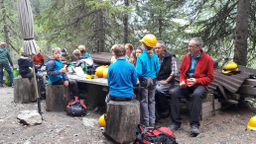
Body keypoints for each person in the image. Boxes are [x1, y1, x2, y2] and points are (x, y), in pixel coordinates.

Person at [169, 37, 214, 136]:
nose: (189, 48)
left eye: (191, 46)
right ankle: (175, 123)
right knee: (175, 93)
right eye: (188, 46)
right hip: (187, 84)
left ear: (199, 47)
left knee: (197, 95)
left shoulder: (208, 59)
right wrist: (182, 82)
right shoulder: (187, 57)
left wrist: (197, 81)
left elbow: (210, 78)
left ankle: (194, 125)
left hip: (200, 84)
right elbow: (182, 72)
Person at [136, 34, 159, 128]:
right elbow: (157, 69)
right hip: (153, 80)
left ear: (144, 44)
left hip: (144, 81)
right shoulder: (155, 57)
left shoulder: (140, 57)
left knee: (144, 101)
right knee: (152, 101)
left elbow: (139, 72)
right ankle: (152, 122)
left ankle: (146, 122)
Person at [154, 40, 178, 120]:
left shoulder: (170, 57)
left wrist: (167, 81)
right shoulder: (155, 57)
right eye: (156, 48)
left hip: (168, 81)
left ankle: (166, 109)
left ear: (163, 48)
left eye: (159, 48)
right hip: (157, 80)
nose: (157, 50)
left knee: (158, 89)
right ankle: (156, 112)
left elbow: (174, 72)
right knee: (150, 89)